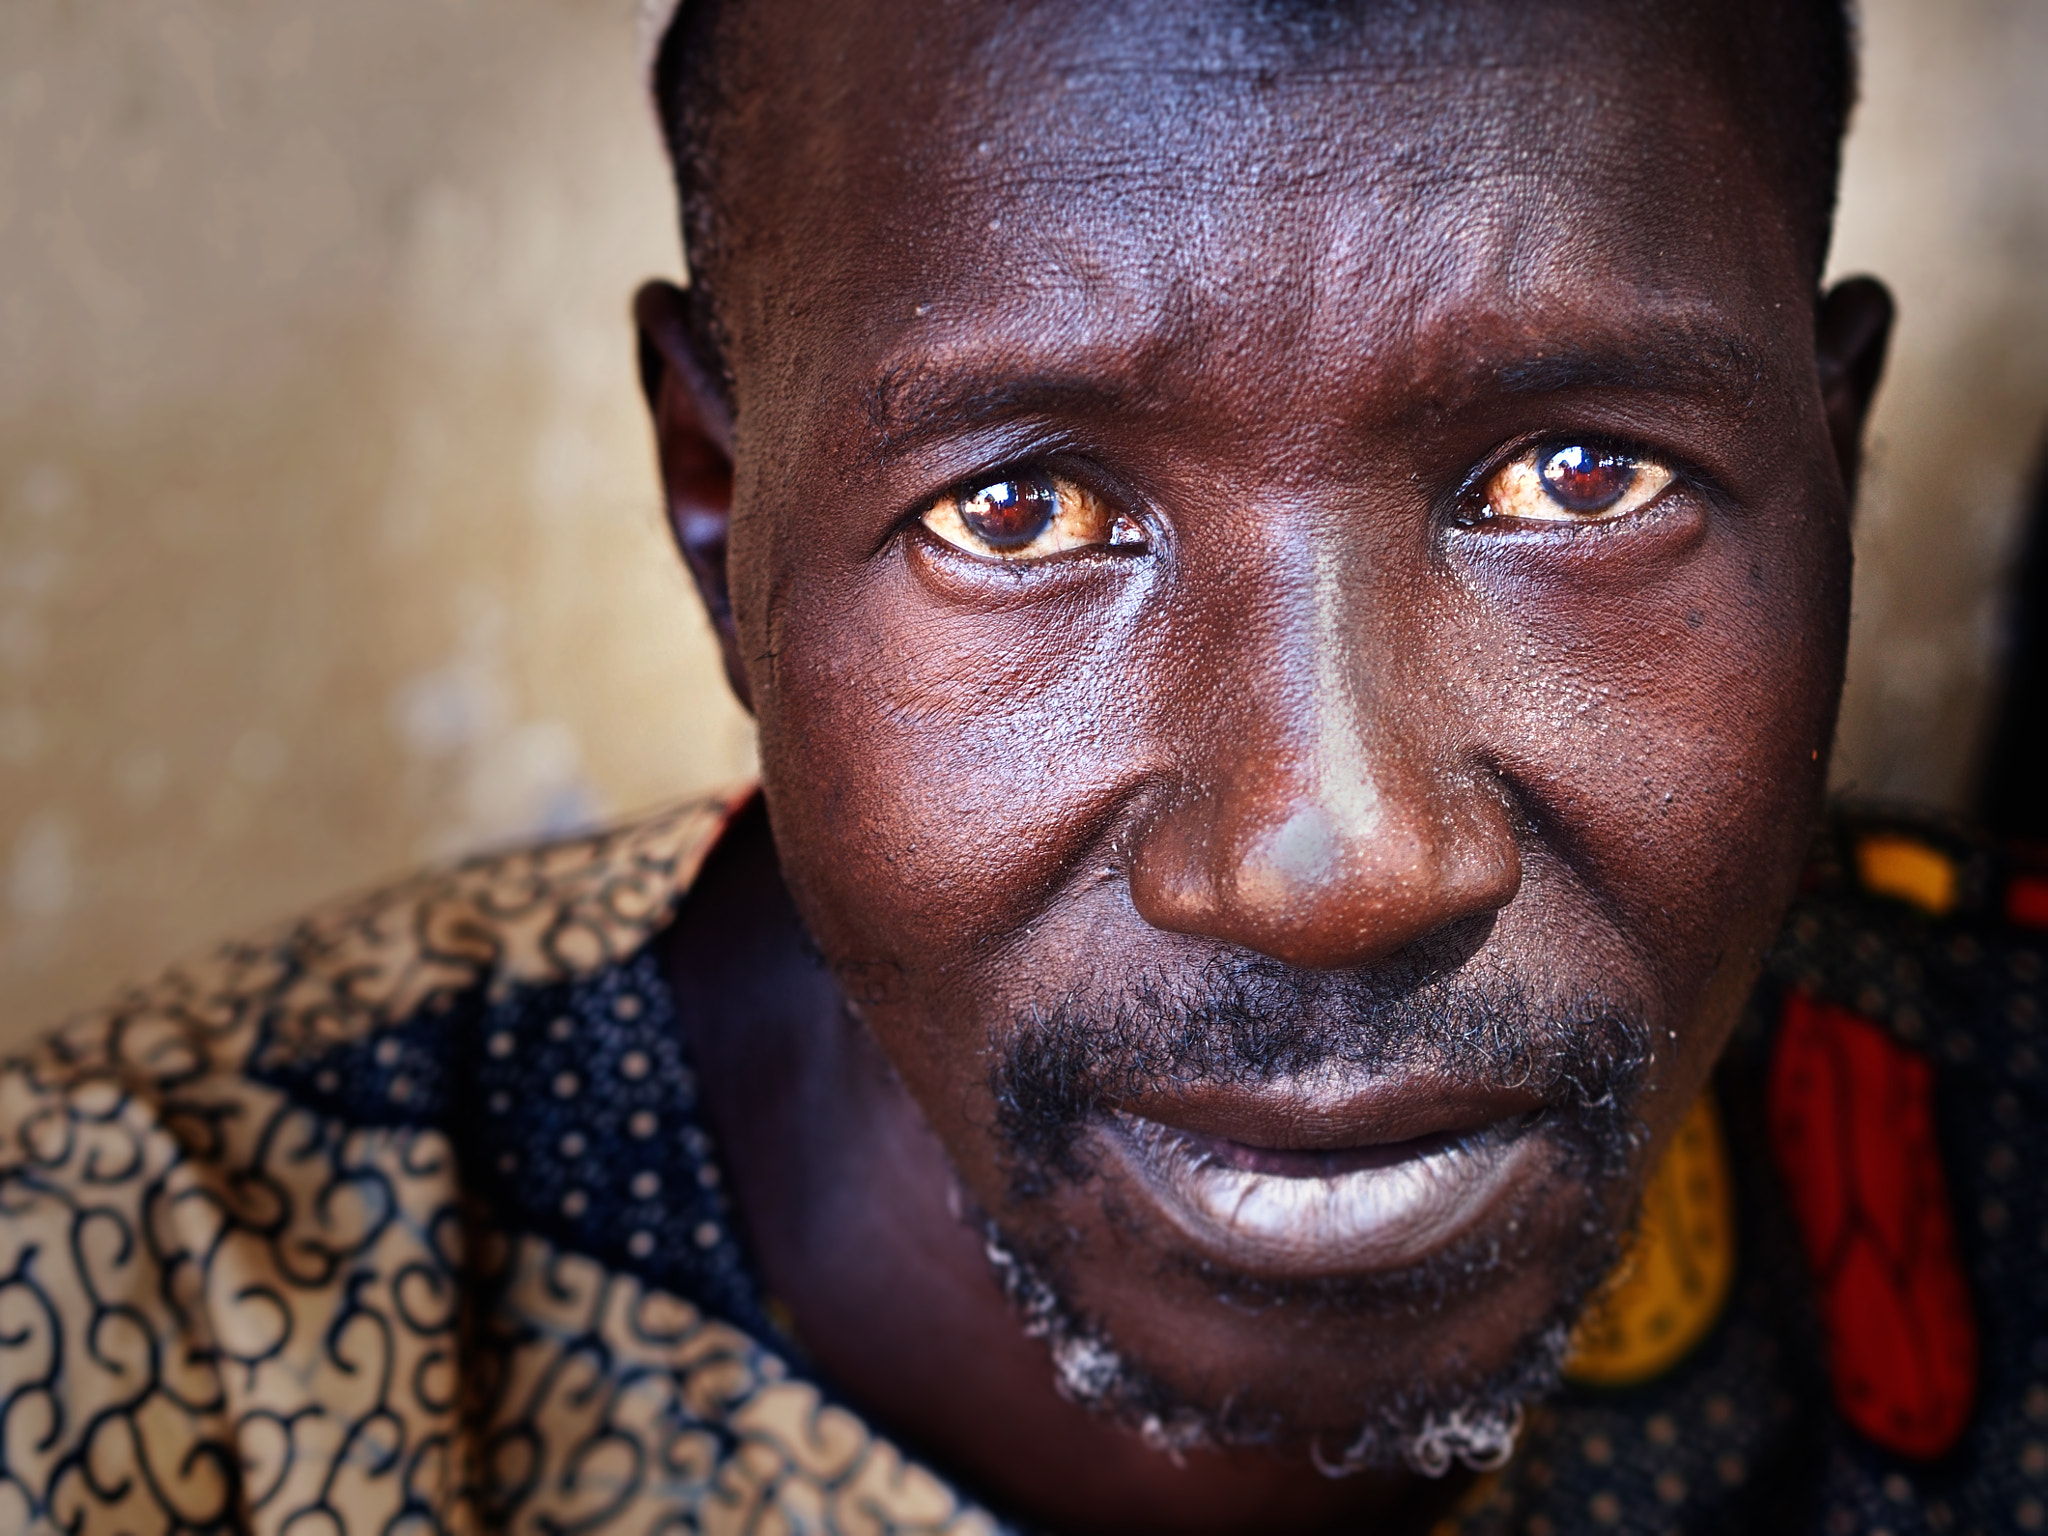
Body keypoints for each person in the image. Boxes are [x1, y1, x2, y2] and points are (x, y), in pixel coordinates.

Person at [2, 0, 2042, 1530]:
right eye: (1024, 513)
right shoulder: (125, 1328)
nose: (1330, 859)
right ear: (720, 509)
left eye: (1577, 479)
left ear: (1833, 470)